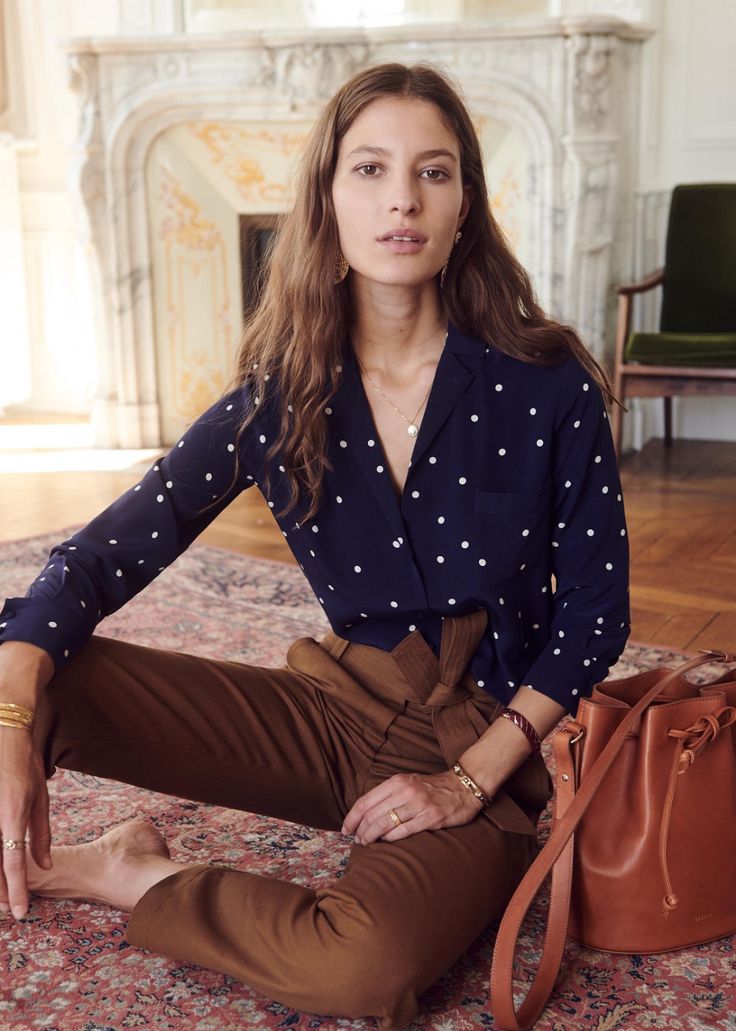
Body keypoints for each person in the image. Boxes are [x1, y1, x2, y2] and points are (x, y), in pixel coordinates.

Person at [0, 62, 629, 1029]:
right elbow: (98, 557)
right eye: (370, 170)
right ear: (327, 199)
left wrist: (469, 778)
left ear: (466, 203)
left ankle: (131, 872)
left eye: (435, 171)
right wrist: (13, 713)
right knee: (28, 665)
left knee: (360, 968)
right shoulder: (282, 391)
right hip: (337, 711)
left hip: (489, 741)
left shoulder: (546, 382)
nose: (403, 199)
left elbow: (596, 613)